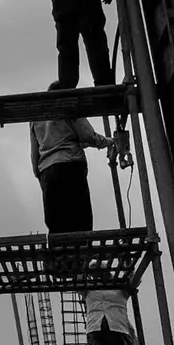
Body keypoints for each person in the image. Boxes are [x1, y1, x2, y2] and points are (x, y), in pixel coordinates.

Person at [30, 83, 115, 233]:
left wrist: (40, 176)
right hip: (71, 165)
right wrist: (109, 142)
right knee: (80, 222)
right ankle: (81, 248)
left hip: (47, 171)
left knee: (56, 226)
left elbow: (34, 153)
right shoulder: (68, 106)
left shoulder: (36, 117)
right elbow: (88, 136)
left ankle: (61, 248)